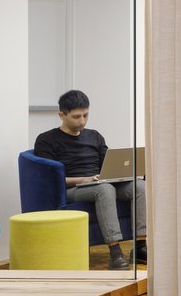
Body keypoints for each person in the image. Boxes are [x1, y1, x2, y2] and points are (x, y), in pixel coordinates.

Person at [33, 89, 146, 269]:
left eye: (86, 115)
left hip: (97, 182)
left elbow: (107, 164)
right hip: (73, 189)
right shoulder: (47, 140)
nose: (82, 121)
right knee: (105, 190)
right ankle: (115, 252)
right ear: (61, 115)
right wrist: (84, 179)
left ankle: (140, 246)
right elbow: (50, 179)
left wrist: (117, 174)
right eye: (76, 117)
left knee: (140, 186)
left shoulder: (94, 136)